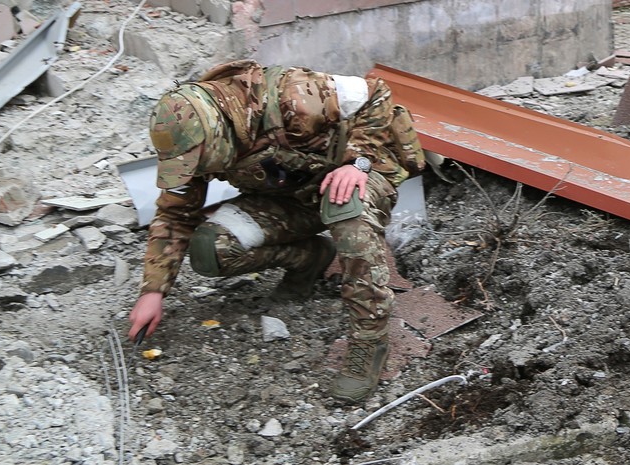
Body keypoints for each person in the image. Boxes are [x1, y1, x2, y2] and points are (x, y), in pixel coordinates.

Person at [127, 59, 424, 403]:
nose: (194, 171)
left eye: (198, 162)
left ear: (216, 135)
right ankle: (310, 258)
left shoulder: (294, 95)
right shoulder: (194, 142)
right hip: (294, 197)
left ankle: (369, 338)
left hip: (358, 180)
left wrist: (358, 162)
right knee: (211, 248)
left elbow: (376, 94)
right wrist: (153, 291)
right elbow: (176, 215)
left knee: (343, 205)